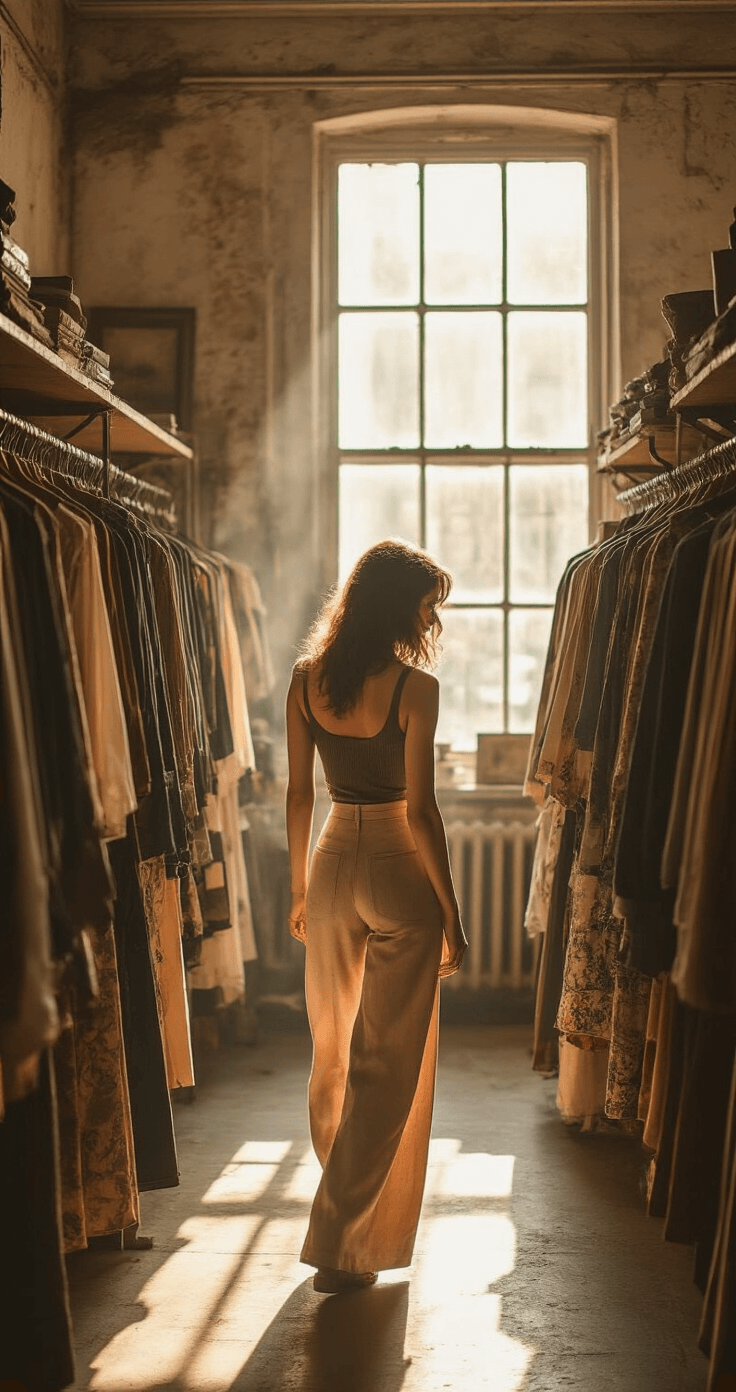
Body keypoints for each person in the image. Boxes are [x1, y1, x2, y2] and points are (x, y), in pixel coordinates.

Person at [285, 538, 468, 1295]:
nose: (432, 618)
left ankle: (346, 1212)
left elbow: (299, 796)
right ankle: (340, 1238)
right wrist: (451, 915)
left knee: (330, 1055)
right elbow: (423, 812)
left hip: (329, 863)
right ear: (401, 604)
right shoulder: (415, 688)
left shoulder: (305, 680)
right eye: (428, 603)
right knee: (388, 1063)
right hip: (397, 865)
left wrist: (298, 890)